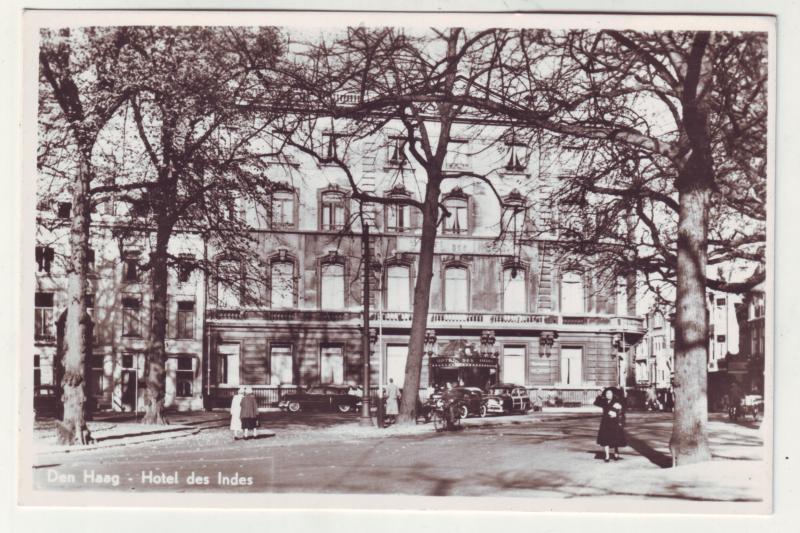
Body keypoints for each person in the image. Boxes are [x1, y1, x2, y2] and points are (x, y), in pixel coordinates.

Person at [594, 387, 627, 462]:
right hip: (605, 422)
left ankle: (616, 452)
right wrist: (599, 395)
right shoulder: (604, 401)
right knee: (605, 439)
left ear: (612, 394)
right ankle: (607, 456)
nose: (608, 395)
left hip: (614, 422)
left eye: (610, 393)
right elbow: (596, 403)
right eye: (607, 393)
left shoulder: (616, 401)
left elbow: (622, 410)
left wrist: (617, 414)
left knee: (614, 438)